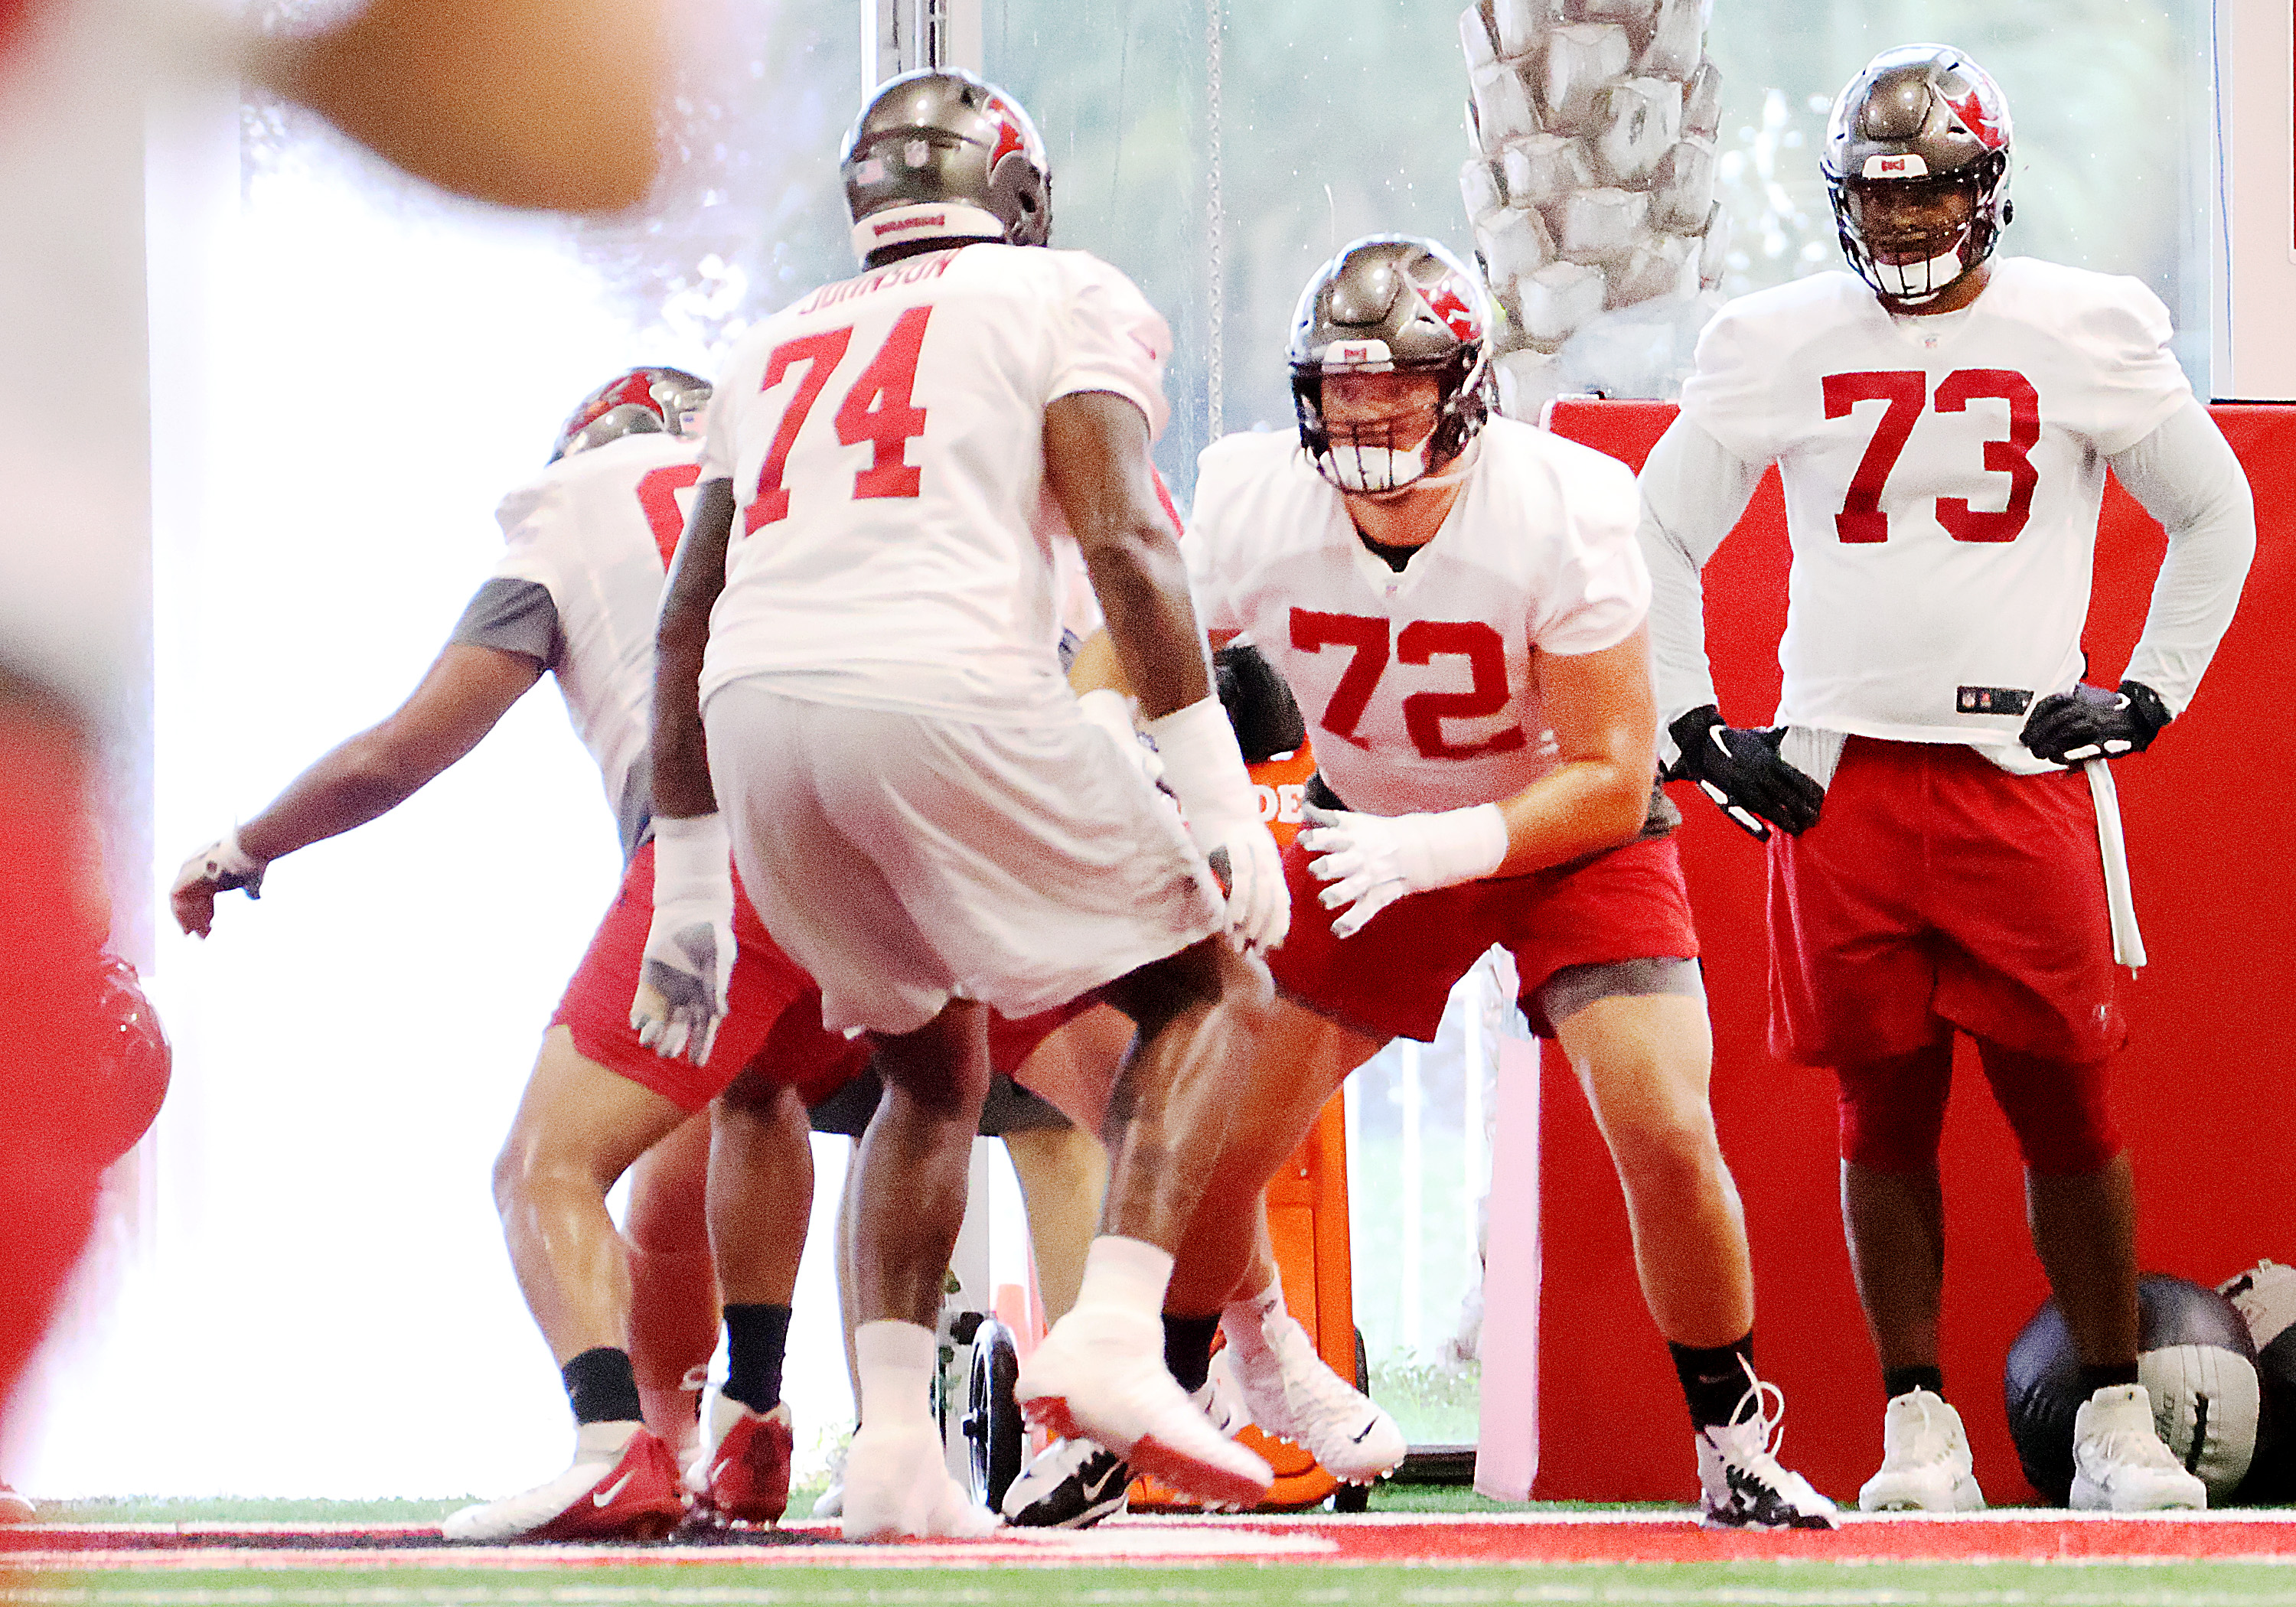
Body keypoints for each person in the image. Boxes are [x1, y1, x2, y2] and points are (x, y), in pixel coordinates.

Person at [643, 67, 1289, 1541]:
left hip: (757, 726)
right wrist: (1213, 796)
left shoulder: (770, 342)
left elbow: (685, 622)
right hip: (945, 684)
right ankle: (1118, 1333)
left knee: (930, 1069)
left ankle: (890, 1451)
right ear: (1020, 197)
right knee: (1215, 990)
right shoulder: (1062, 293)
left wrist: (689, 884)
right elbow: (1129, 539)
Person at [1119, 233, 1833, 1529]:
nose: (1368, 417)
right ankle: (1156, 1424)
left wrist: (1442, 850)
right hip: (1366, 819)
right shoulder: (1253, 500)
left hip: (1564, 834)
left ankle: (1733, 1446)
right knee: (1214, 1152)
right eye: (1343, 394)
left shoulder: (1562, 502)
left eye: (1396, 389)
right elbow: (1143, 648)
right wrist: (1137, 757)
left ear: (1462, 390)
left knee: (1665, 1129)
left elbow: (1618, 775)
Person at [1635, 44, 2254, 1513]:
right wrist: (1692, 722)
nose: (1905, 226)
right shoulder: (1777, 337)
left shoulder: (2081, 326)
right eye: (1879, 199)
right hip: (1838, 777)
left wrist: (2150, 691)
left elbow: (2214, 511)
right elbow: (1656, 528)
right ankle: (1919, 1426)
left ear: (1992, 190)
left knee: (2072, 1113)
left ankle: (2116, 1419)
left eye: (1934, 196)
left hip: (2012, 776)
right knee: (1880, 1116)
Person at [171, 372, 827, 1540]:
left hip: (721, 843)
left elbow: (403, 749)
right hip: (878, 824)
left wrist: (248, 845)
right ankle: (756, 1420)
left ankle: (610, 1444)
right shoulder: (788, 478)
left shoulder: (571, 503)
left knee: (542, 1165)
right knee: (762, 1098)